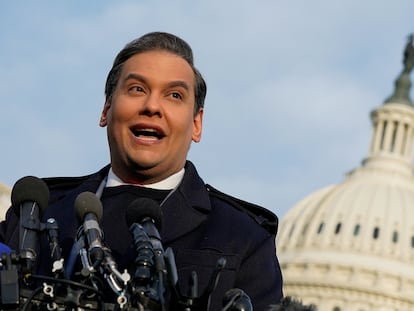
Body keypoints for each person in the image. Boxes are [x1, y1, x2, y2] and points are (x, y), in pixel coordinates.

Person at [0, 32, 283, 310]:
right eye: (137, 89)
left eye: (174, 95)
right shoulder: (35, 214)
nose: (151, 106)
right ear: (106, 109)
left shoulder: (244, 237)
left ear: (197, 124)